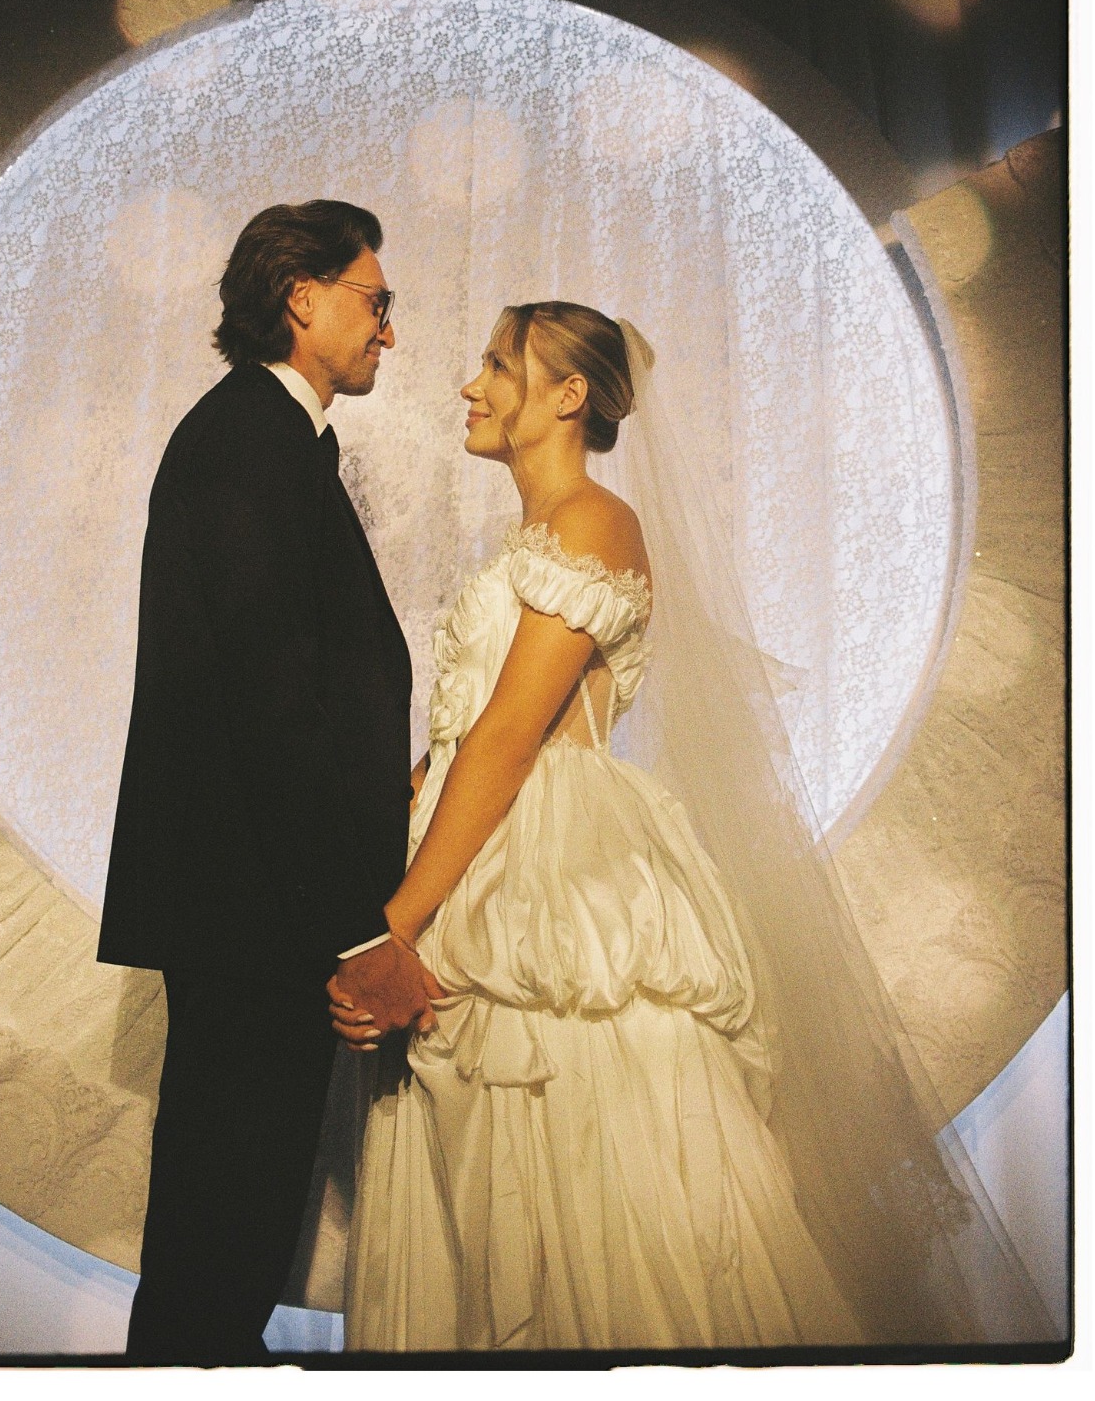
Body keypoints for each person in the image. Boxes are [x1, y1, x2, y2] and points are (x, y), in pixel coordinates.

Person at [330, 300, 1050, 1352]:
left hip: (552, 874)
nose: (469, 386)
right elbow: (457, 745)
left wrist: (394, 928)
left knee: (601, 1192)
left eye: (496, 366)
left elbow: (507, 739)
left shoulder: (593, 522)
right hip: (479, 856)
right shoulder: (530, 538)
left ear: (568, 394)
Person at [97, 199, 433, 1365]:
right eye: (375, 301)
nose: (388, 330)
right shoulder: (249, 440)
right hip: (256, 919)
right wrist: (358, 933)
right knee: (218, 1246)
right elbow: (270, 708)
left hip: (255, 911)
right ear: (302, 297)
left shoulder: (262, 435)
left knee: (225, 1237)